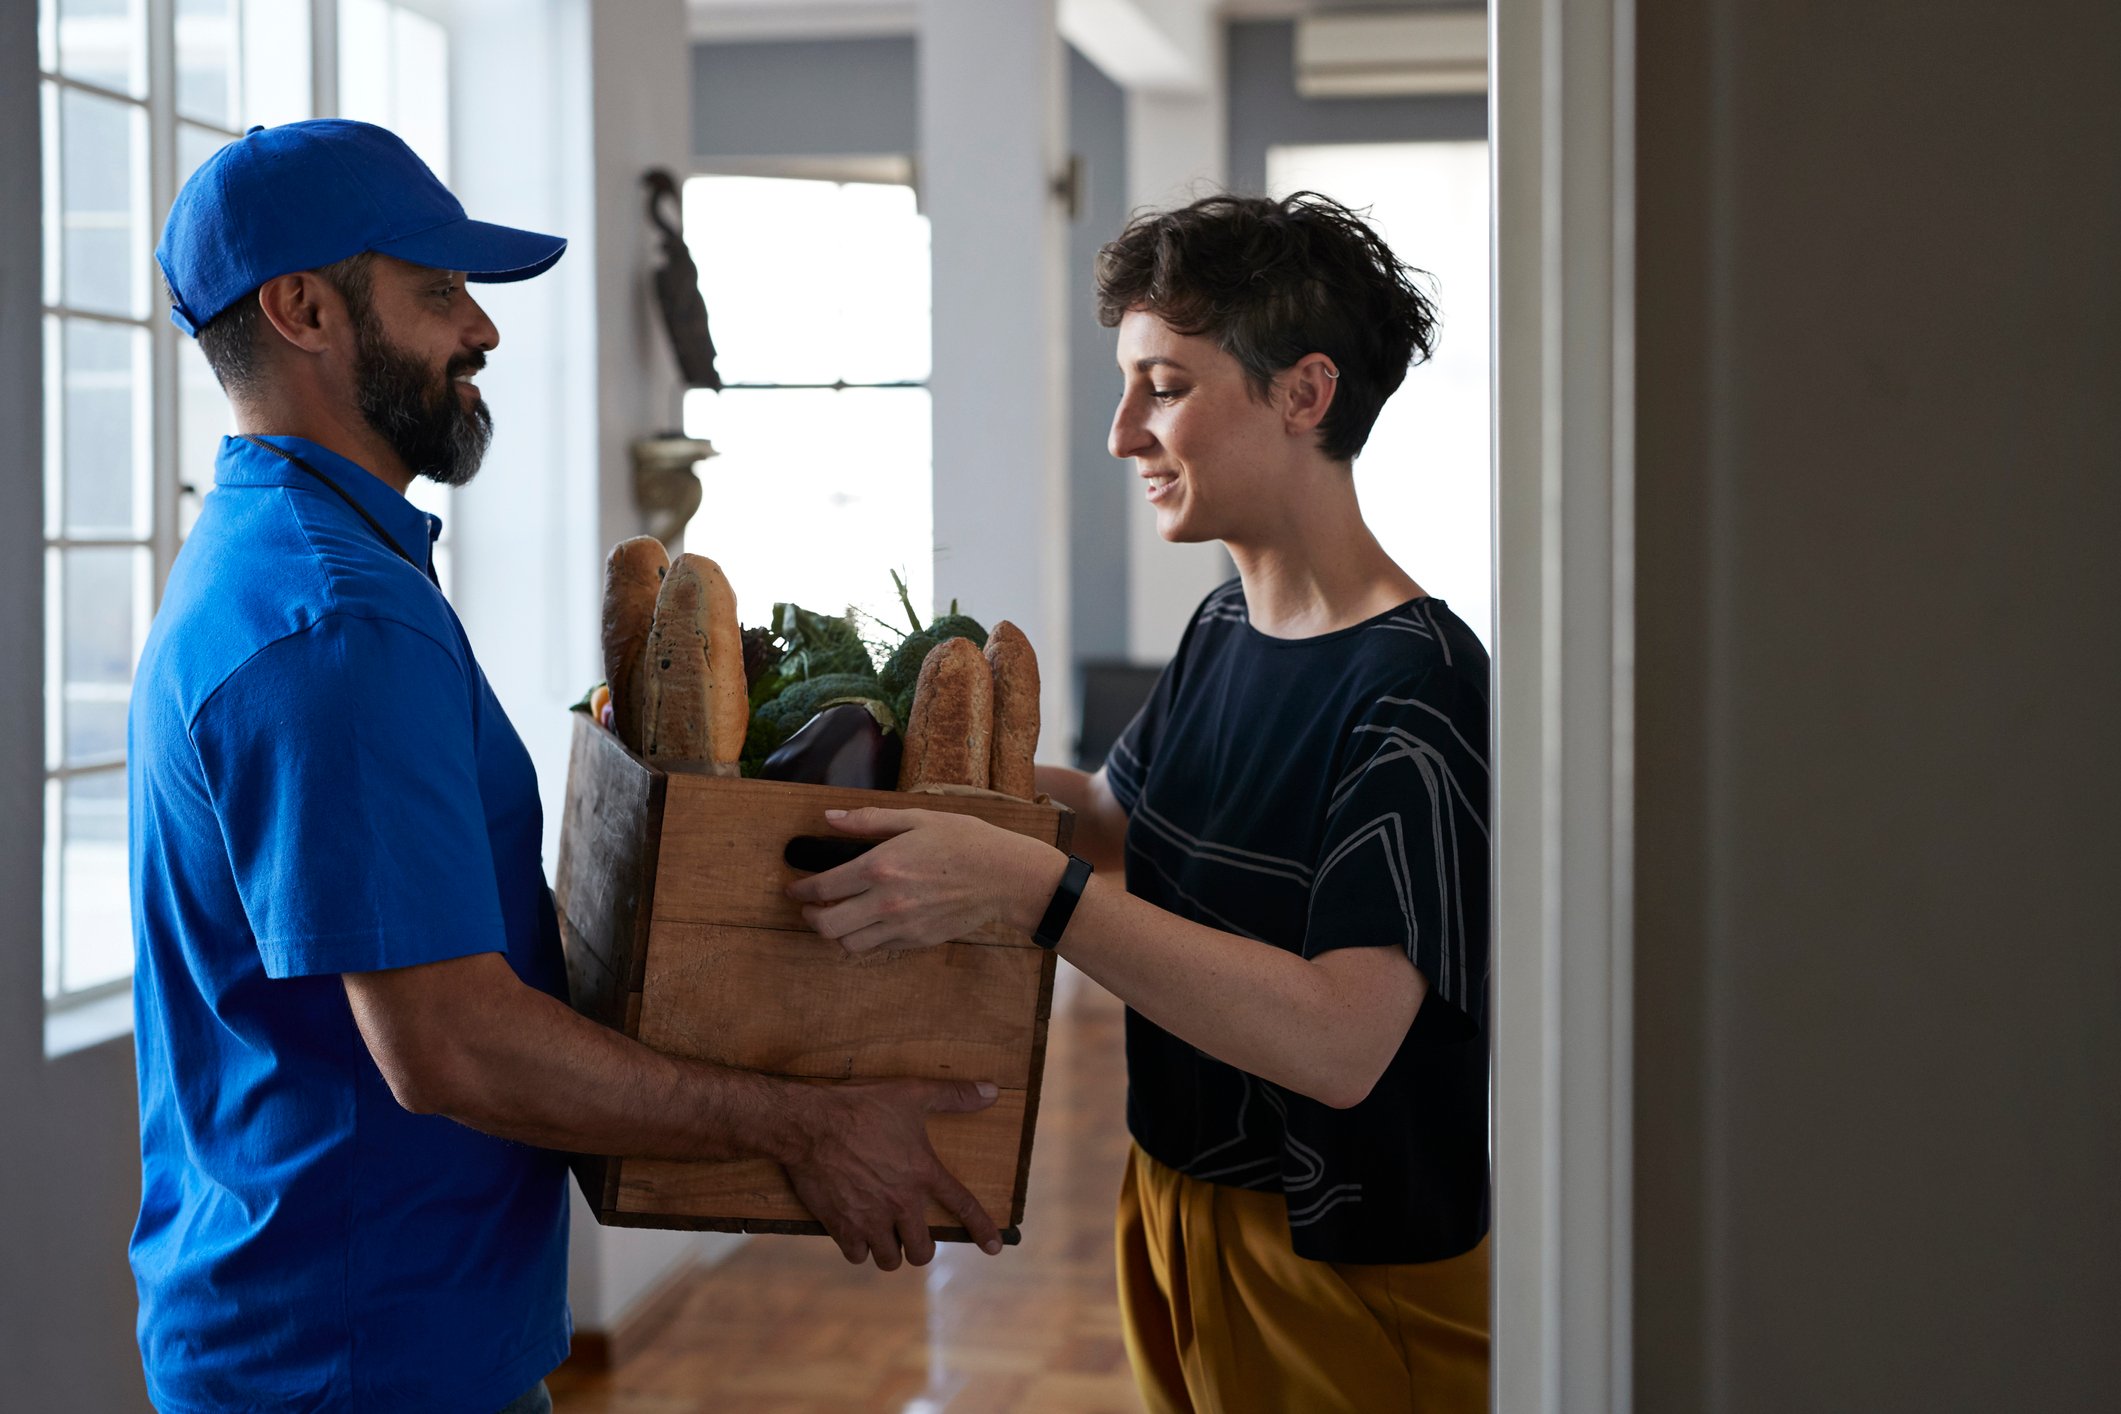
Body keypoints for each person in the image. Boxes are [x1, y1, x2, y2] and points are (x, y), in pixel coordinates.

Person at [131, 119, 1001, 1414]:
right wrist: (804, 1122)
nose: (479, 330)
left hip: (343, 1321)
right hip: (361, 1357)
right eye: (435, 293)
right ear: (303, 309)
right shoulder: (334, 619)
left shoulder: (283, 564)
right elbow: (450, 1044)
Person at [787, 191, 1491, 1412]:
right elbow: (1120, 819)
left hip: (1343, 1268)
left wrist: (1026, 888)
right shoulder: (1226, 620)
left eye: (1162, 385)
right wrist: (910, 765)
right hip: (1173, 1205)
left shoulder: (1421, 680)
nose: (1123, 434)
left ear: (1303, 394)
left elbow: (1339, 1041)